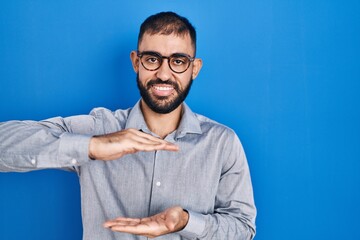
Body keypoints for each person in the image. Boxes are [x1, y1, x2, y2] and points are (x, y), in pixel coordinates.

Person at [0, 11, 256, 240]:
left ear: (194, 68)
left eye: (178, 61)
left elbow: (242, 229)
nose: (164, 74)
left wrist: (186, 222)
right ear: (136, 62)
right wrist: (93, 146)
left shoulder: (222, 142)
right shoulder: (100, 127)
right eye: (152, 59)